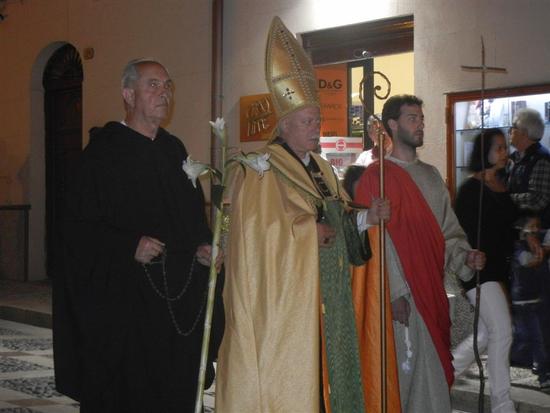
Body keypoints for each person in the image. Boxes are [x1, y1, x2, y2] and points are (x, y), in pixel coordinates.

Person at [215, 17, 388, 413]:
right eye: (309, 122)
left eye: (318, 121)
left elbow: (338, 218)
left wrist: (366, 219)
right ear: (285, 123)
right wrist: (309, 231)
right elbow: (255, 233)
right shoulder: (260, 168)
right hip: (289, 300)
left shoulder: (324, 169)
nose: (317, 128)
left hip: (330, 292)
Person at [53, 58, 225, 412]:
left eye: (167, 86)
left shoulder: (174, 150)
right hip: (124, 310)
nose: (164, 93)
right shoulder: (101, 155)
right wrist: (128, 245)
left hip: (173, 306)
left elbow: (191, 217)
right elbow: (76, 231)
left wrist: (205, 247)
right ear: (128, 94)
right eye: (153, 85)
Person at [355, 94, 485, 412]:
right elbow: (373, 239)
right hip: (400, 299)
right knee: (404, 380)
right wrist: (393, 291)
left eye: (422, 119)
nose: (420, 124)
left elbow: (449, 232)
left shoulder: (431, 176)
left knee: (435, 378)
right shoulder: (376, 176)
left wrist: (465, 256)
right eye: (413, 118)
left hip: (432, 291)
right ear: (392, 125)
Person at [451, 129, 517, 412]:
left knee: (486, 335)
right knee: (503, 332)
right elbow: (459, 233)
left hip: (500, 269)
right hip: (478, 270)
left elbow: (509, 227)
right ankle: (503, 405)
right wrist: (468, 257)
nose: (504, 153)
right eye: (498, 148)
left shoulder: (502, 185)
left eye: (505, 148)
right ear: (485, 152)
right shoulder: (470, 189)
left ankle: (443, 374)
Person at [507, 107, 550, 376]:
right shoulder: (515, 159)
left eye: (513, 128)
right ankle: (523, 355)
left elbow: (539, 199)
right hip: (517, 236)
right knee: (519, 300)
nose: (510, 131)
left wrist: (507, 200)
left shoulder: (542, 161)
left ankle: (543, 362)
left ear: (525, 133)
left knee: (534, 302)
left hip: (534, 238)